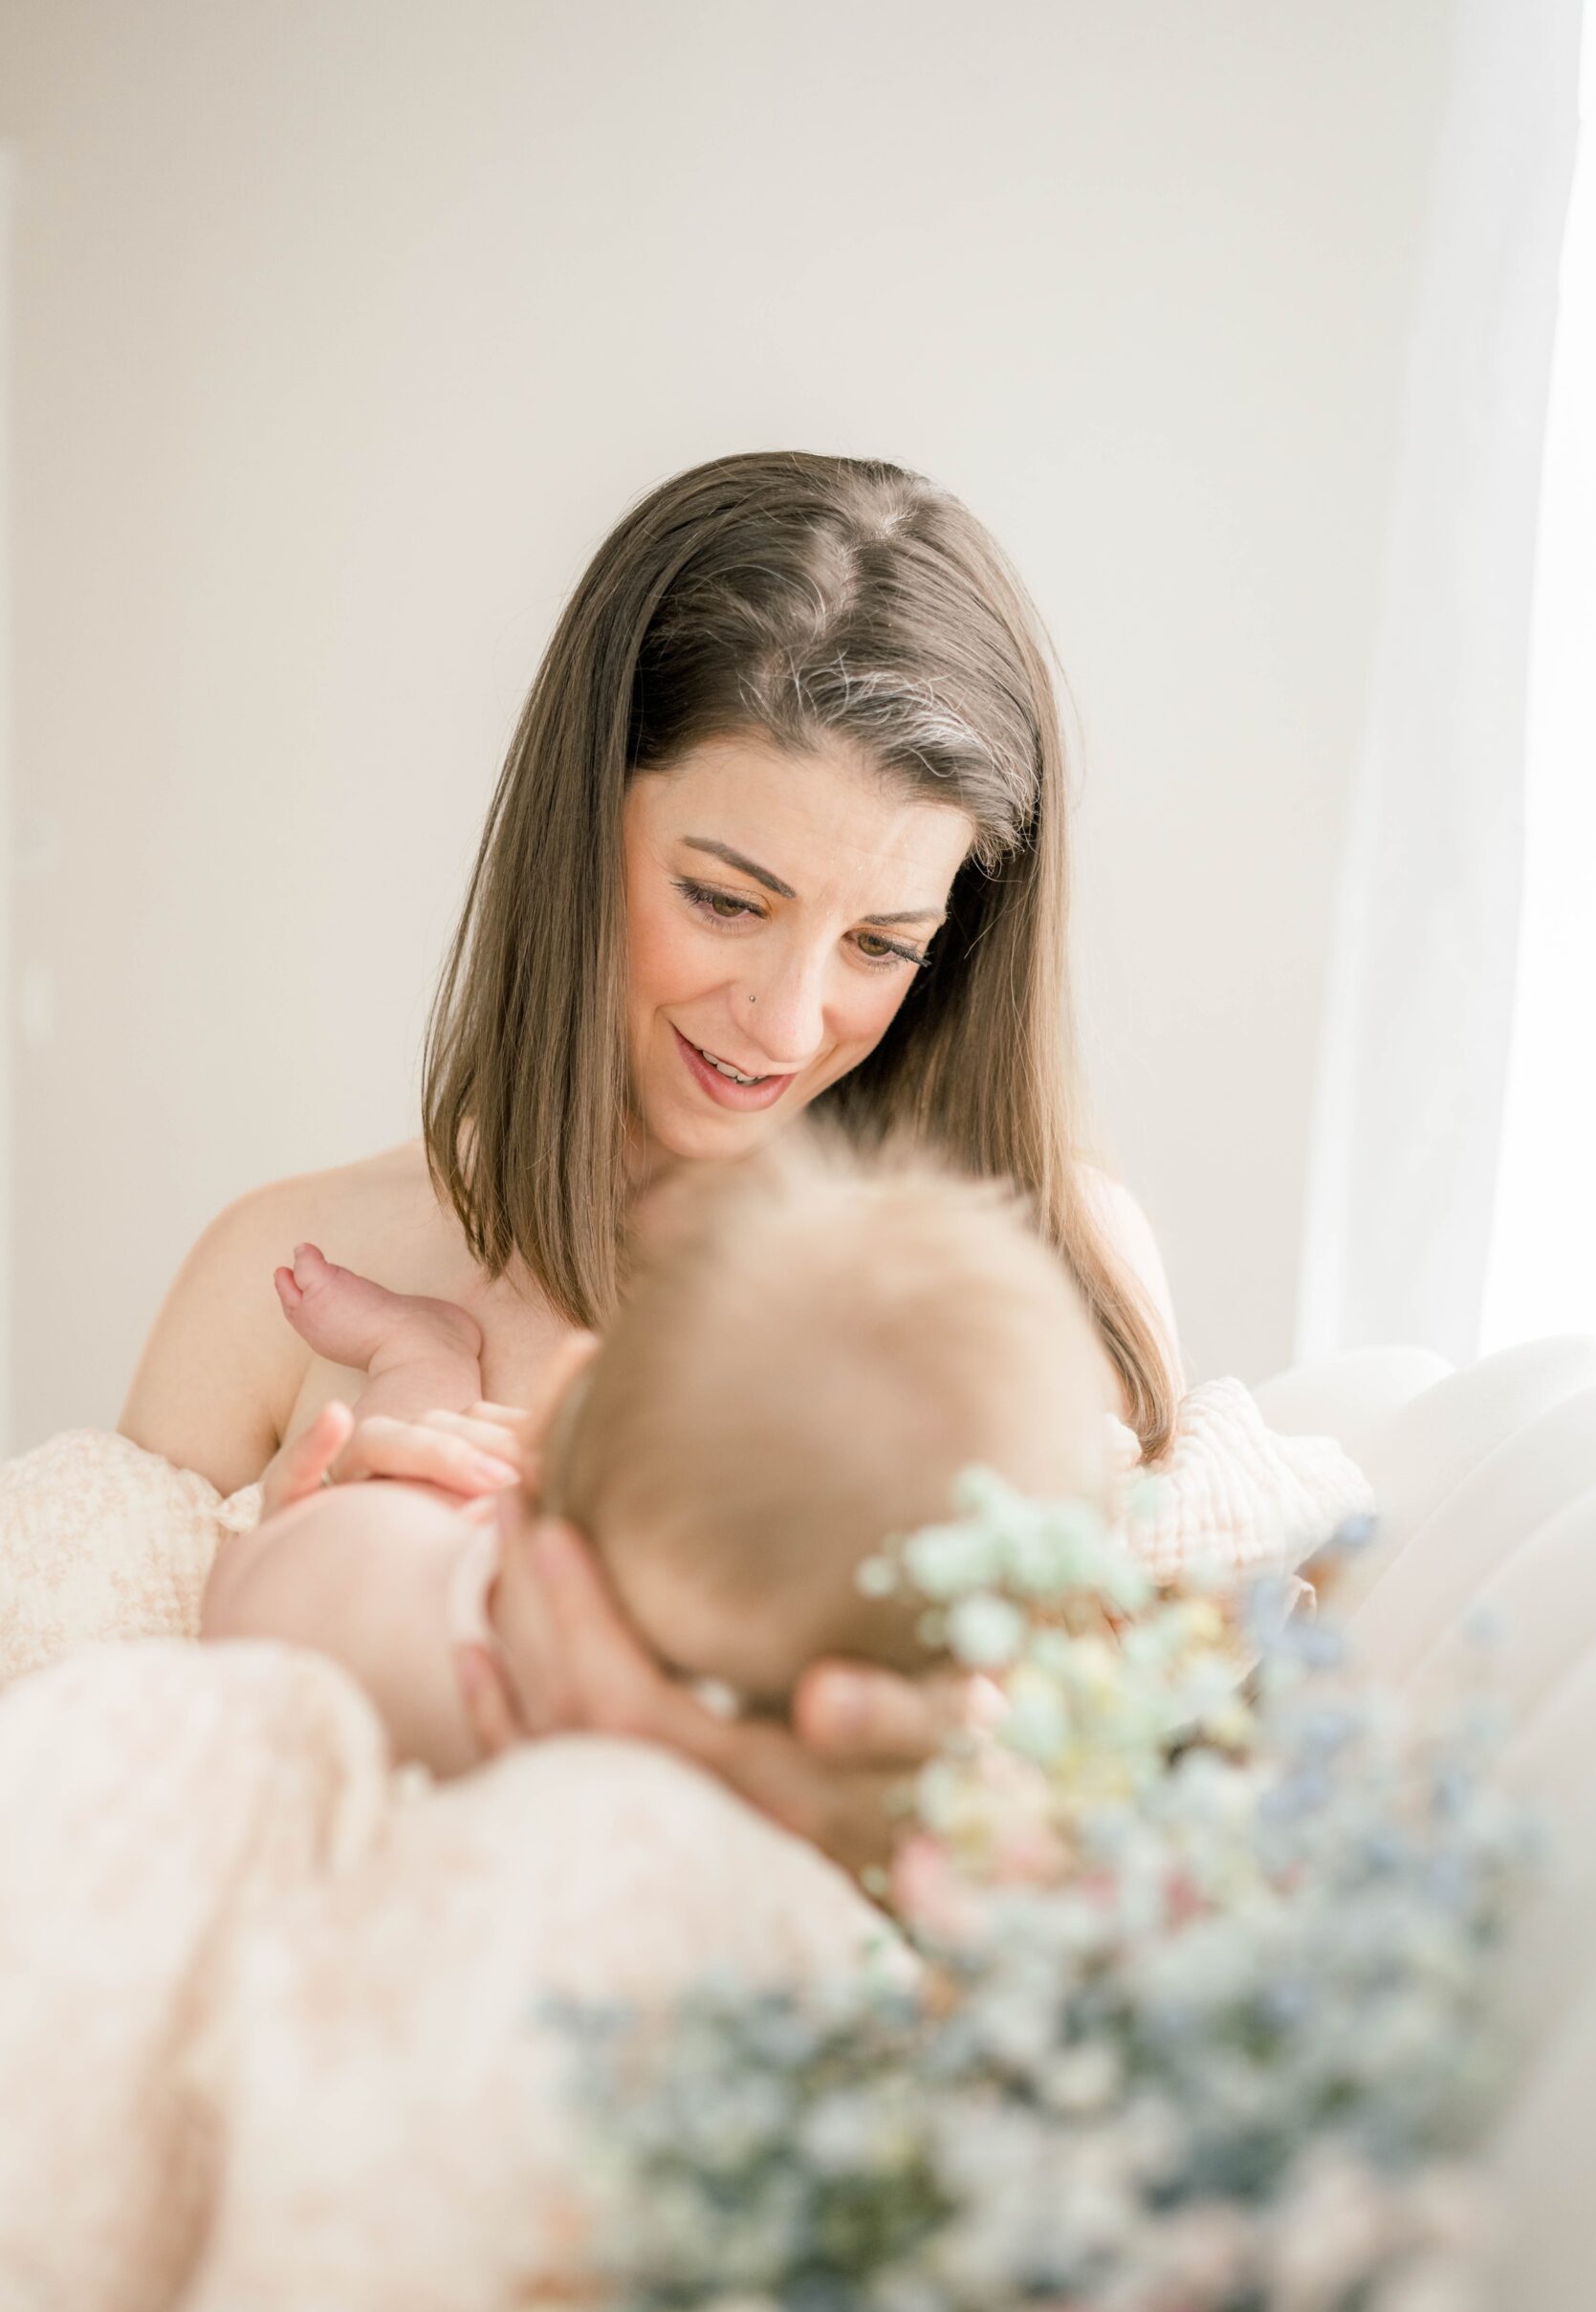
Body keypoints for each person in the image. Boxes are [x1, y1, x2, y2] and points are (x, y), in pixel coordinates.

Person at [118, 448, 1184, 1869]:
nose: (789, 1021)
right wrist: (286, 1624)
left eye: (882, 946)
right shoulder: (288, 1279)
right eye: (725, 900)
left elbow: (1113, 1846)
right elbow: (87, 1810)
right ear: (584, 821)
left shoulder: (1042, 1276)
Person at [200, 1128, 1121, 1791]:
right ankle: (418, 1352)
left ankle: (422, 1363)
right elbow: (256, 1604)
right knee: (394, 1483)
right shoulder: (437, 1619)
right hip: (405, 1554)